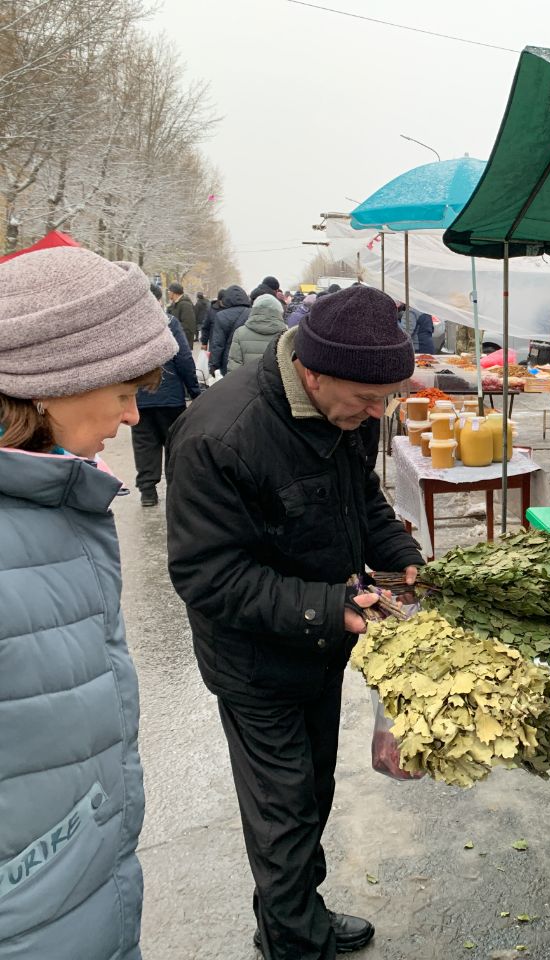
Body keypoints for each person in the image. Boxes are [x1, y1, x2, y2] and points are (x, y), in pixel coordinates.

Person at [165, 284, 424, 959]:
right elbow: (206, 576)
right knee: (283, 813)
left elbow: (359, 498)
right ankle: (294, 944)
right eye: (368, 400)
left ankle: (295, 916)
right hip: (255, 662)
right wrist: (330, 606)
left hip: (322, 645)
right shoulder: (220, 433)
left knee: (312, 790)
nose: (378, 413)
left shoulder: (353, 410)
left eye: (386, 398)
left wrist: (400, 559)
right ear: (314, 370)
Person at [0, 246, 178, 959]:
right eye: (124, 390)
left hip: (76, 891)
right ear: (50, 383)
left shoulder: (57, 502)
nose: (136, 416)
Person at [133, 290, 203, 506]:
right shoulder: (169, 322)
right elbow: (183, 358)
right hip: (171, 396)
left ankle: (148, 491)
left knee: (144, 443)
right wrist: (194, 391)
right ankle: (175, 489)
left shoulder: (130, 324)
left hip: (139, 397)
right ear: (158, 301)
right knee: (174, 442)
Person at [229, 293, 288, 372]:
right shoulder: (285, 334)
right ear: (279, 311)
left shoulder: (240, 333)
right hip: (275, 383)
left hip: (246, 382)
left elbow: (234, 366)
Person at [207, 284, 251, 377]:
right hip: (248, 359)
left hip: (228, 360)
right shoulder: (251, 313)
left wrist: (213, 365)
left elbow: (218, 344)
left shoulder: (221, 315)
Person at [167, 281, 198, 347]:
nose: (168, 293)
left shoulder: (185, 304)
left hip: (183, 342)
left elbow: (188, 325)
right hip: (177, 340)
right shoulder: (175, 304)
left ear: (174, 292)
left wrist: (173, 327)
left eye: (169, 291)